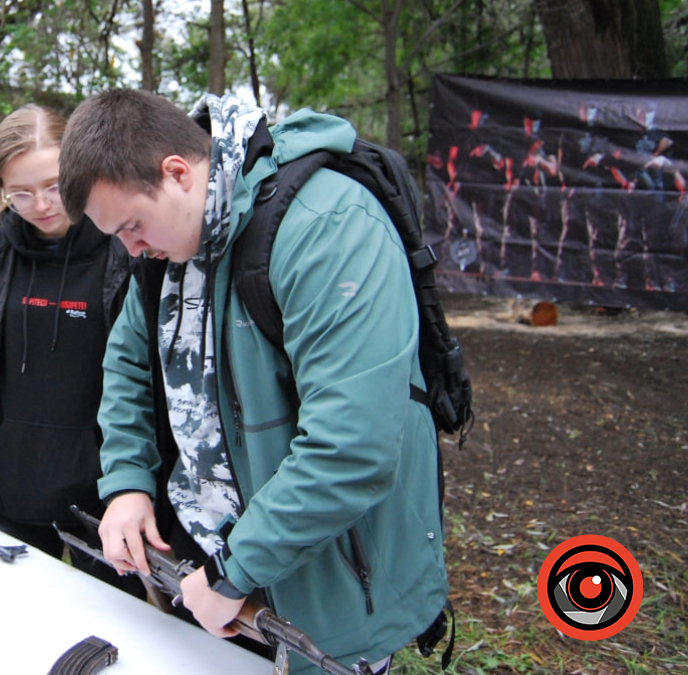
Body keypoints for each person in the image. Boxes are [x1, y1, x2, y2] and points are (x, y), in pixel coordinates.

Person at [58, 89, 449, 673]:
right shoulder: (166, 252)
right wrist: (126, 482)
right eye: (115, 234)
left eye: (133, 225)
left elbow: (352, 446)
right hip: (206, 574)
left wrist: (234, 569)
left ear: (177, 173)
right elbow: (128, 367)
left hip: (327, 586)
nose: (130, 248)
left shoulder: (328, 227)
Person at [0, 104, 141, 597]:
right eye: (20, 192)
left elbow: (141, 372)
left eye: (54, 185)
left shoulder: (124, 243)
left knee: (107, 627)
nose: (40, 204)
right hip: (14, 479)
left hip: (103, 490)